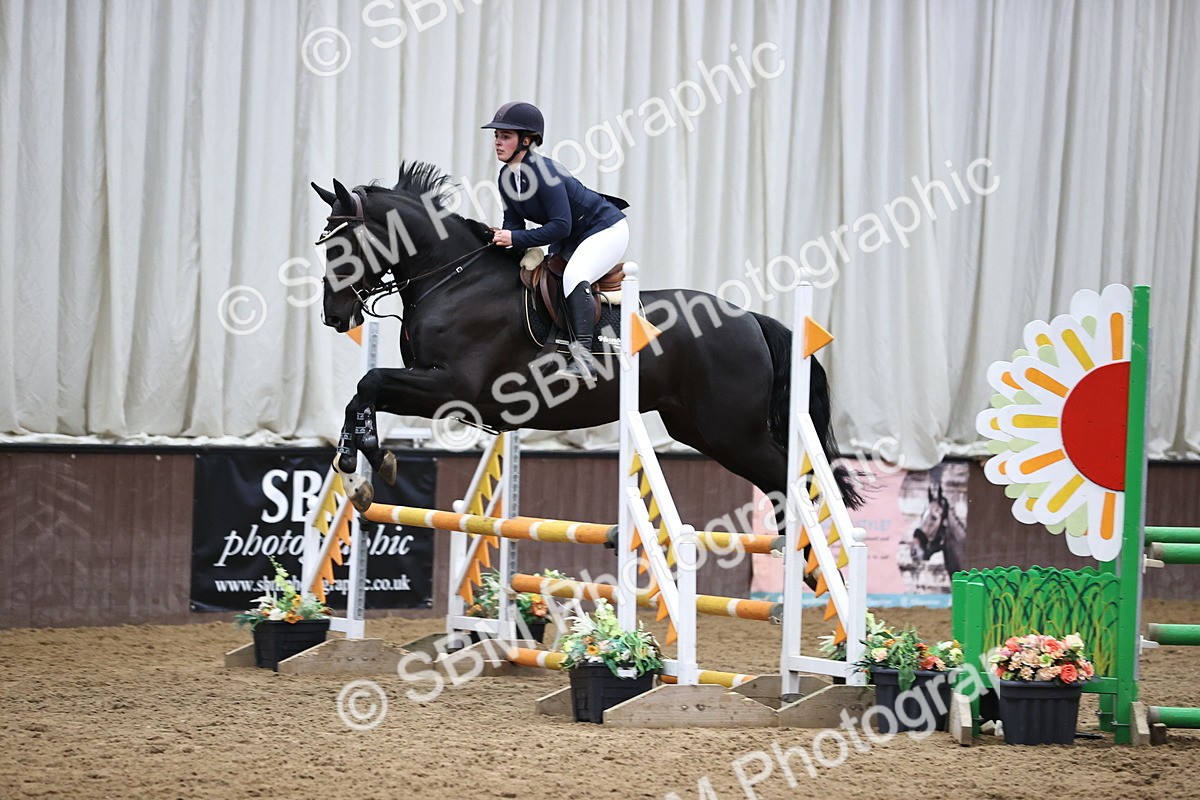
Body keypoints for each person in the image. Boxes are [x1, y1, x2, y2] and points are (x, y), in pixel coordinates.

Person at [482, 101, 629, 381]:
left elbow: (561, 226)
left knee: (574, 275)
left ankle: (584, 358)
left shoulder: (545, 173)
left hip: (604, 230)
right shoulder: (506, 177)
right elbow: (514, 223)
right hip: (572, 237)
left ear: (526, 141)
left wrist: (514, 237)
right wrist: (501, 242)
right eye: (496, 136)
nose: (498, 142)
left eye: (506, 136)